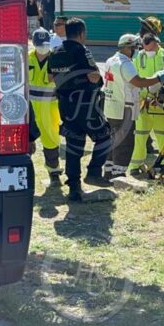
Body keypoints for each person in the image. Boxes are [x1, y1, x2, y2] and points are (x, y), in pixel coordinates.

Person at [48, 18, 115, 203]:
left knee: (74, 144)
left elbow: (50, 77)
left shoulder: (55, 52)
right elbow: (94, 76)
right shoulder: (81, 51)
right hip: (85, 104)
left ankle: (74, 188)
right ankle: (94, 172)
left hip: (66, 105)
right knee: (105, 135)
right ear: (82, 33)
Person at [103, 34, 164, 180]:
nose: (137, 51)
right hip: (123, 110)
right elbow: (138, 82)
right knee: (124, 144)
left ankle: (108, 172)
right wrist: (158, 78)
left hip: (111, 108)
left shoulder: (110, 60)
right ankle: (118, 175)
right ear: (127, 47)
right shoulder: (125, 64)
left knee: (113, 141)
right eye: (135, 48)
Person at [129, 17, 164, 176]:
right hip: (143, 104)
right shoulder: (138, 55)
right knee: (140, 137)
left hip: (161, 104)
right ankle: (136, 166)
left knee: (163, 135)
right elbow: (135, 78)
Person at [29, 28, 64, 187]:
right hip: (28, 108)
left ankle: (54, 172)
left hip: (49, 107)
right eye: (40, 45)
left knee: (51, 140)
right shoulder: (25, 58)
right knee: (25, 142)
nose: (44, 48)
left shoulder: (57, 59)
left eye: (46, 45)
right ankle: (27, 175)